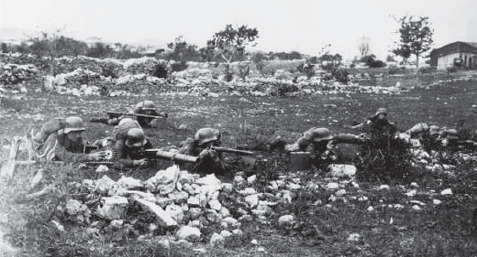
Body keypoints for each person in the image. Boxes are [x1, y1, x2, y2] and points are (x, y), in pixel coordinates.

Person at [270, 127, 364, 169]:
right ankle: (278, 142)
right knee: (289, 148)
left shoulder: (330, 139)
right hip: (302, 147)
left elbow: (342, 137)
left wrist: (357, 138)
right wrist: (325, 152)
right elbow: (312, 158)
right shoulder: (309, 144)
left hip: (319, 151)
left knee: (330, 156)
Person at [30, 116, 106, 162]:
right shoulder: (54, 138)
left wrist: (97, 146)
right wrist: (89, 157)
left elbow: (80, 149)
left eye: (80, 132)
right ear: (67, 132)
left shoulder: (75, 138)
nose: (78, 136)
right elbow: (65, 156)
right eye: (75, 132)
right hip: (46, 162)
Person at [90, 100, 167, 128]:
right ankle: (97, 119)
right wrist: (150, 125)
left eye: (150, 111)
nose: (149, 112)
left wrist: (163, 114)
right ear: (143, 110)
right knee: (112, 122)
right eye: (147, 111)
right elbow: (144, 125)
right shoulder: (138, 115)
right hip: (125, 120)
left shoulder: (152, 113)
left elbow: (159, 114)